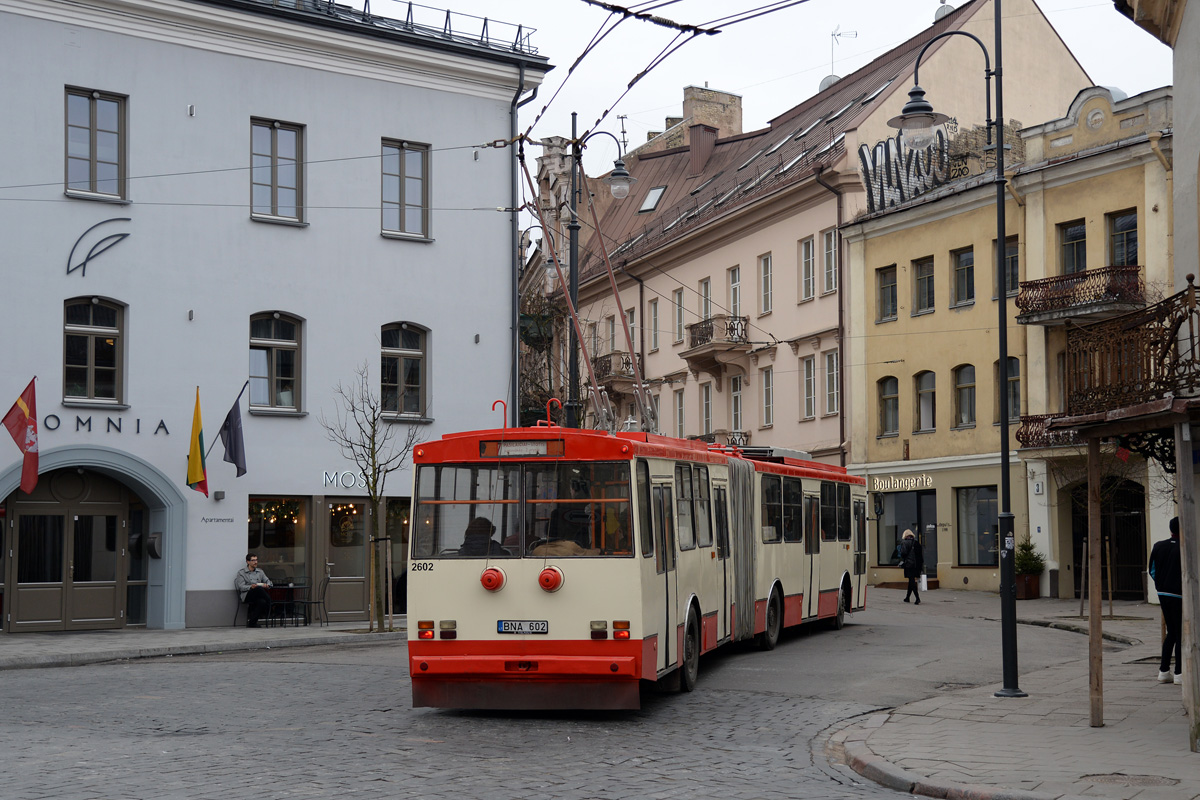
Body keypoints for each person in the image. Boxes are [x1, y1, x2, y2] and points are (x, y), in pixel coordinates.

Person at [1148, 516, 1183, 684]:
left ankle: (1164, 670)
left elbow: (1152, 570)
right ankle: (1179, 673)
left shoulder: (1158, 546)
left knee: (1172, 632)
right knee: (1181, 633)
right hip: (1180, 595)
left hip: (1163, 594)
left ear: (1170, 529)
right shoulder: (1186, 548)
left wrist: (1161, 586)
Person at [234, 553, 273, 628]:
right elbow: (241, 587)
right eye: (253, 560)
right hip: (247, 595)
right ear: (248, 562)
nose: (256, 562)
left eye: (256, 560)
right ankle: (270, 602)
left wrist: (267, 585)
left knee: (262, 602)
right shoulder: (241, 573)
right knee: (258, 588)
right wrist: (251, 587)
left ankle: (252, 623)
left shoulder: (260, 571)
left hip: (258, 595)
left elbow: (268, 581)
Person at [900, 529, 925, 605]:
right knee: (911, 581)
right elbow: (920, 555)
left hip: (909, 564)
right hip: (917, 565)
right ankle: (907, 597)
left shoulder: (905, 542)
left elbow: (903, 553)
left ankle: (917, 598)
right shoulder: (917, 543)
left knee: (911, 581)